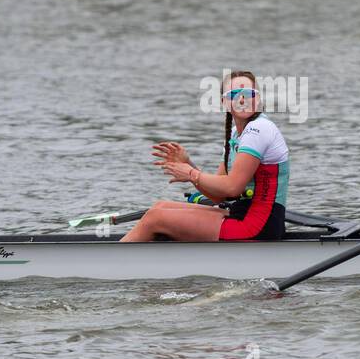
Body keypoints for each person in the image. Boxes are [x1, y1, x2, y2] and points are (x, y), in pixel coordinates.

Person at [121, 70, 290, 242]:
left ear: (258, 99)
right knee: (159, 207)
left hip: (259, 225)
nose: (242, 99)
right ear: (224, 102)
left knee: (155, 219)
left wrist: (190, 174)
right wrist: (190, 166)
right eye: (234, 94)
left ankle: (115, 262)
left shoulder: (259, 129)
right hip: (242, 214)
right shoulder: (236, 134)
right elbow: (219, 196)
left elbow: (233, 188)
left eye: (249, 94)